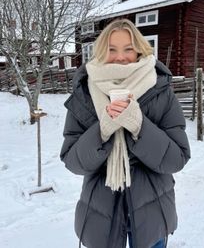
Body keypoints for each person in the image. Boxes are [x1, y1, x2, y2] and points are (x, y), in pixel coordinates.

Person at [60, 18, 191, 248]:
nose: (120, 57)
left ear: (139, 50)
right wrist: (101, 131)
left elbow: (177, 158)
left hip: (152, 215)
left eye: (128, 49)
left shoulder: (160, 91)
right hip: (100, 220)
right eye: (112, 49)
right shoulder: (85, 95)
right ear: (101, 51)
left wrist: (139, 125)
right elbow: (72, 161)